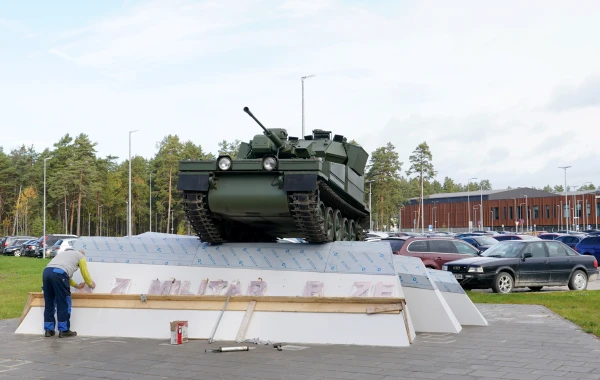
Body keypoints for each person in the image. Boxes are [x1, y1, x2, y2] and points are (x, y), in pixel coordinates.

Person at [42, 248, 95, 338]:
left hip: (46, 272)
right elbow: (84, 272)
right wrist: (90, 283)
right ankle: (64, 330)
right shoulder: (81, 256)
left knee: (49, 302)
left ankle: (48, 330)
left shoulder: (64, 255)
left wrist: (77, 286)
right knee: (64, 302)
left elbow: (63, 274)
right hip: (59, 274)